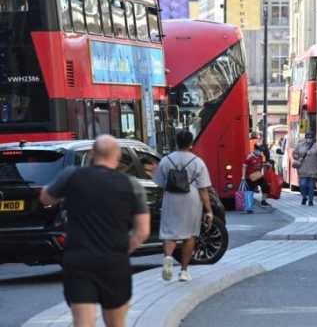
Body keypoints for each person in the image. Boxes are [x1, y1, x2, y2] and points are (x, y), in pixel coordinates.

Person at [39, 135, 150, 327]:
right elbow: (142, 231)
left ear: (92, 154)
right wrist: (123, 250)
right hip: (115, 263)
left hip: (80, 262)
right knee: (116, 323)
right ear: (117, 156)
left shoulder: (72, 176)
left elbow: (45, 198)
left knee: (83, 323)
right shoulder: (131, 185)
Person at [153, 130, 214, 282]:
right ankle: (184, 271)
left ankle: (168, 257)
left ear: (176, 142)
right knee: (189, 236)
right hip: (191, 200)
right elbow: (203, 188)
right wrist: (208, 210)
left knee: (170, 234)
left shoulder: (166, 160)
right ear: (191, 143)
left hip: (171, 199)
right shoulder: (197, 162)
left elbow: (159, 183)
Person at [293, 132, 317, 206]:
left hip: (313, 169)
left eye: (310, 138)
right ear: (305, 138)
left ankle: (311, 200)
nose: (309, 139)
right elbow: (294, 153)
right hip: (302, 169)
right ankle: (304, 197)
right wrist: (298, 157)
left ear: (313, 139)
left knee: (311, 186)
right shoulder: (300, 145)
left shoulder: (316, 147)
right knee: (302, 184)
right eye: (307, 138)